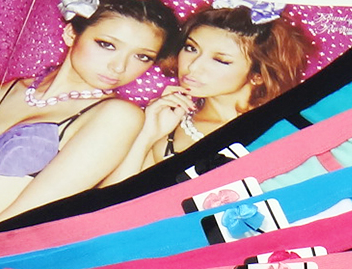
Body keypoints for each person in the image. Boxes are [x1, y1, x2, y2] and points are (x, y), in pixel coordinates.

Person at [0, 0, 180, 243]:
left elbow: (26, 220)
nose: (119, 66)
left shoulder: (116, 116)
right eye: (107, 45)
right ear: (71, 34)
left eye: (142, 56)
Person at [103, 0, 312, 182]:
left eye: (220, 60)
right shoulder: (168, 127)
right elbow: (114, 204)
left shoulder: (285, 126)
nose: (193, 66)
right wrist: (147, 135)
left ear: (258, 74)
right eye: (191, 48)